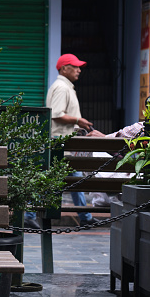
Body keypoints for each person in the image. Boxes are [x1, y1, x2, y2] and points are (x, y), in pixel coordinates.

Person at [25, 54, 97, 229]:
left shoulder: (64, 87)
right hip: (60, 143)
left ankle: (84, 216)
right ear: (64, 68)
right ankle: (29, 214)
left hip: (62, 142)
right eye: (75, 66)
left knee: (71, 177)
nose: (79, 70)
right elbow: (57, 114)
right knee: (62, 178)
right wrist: (78, 121)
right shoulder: (62, 88)